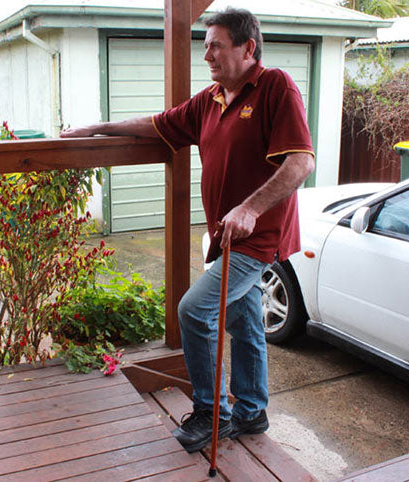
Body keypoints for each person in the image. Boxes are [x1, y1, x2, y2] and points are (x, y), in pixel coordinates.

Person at [61, 7, 315, 453]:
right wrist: (98, 128)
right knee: (244, 318)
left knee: (196, 311)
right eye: (205, 47)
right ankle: (252, 410)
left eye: (216, 45)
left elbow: (301, 162)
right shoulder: (211, 99)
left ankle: (211, 414)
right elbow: (158, 123)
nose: (207, 56)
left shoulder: (276, 87)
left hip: (257, 237)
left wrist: (250, 208)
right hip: (229, 235)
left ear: (247, 48)